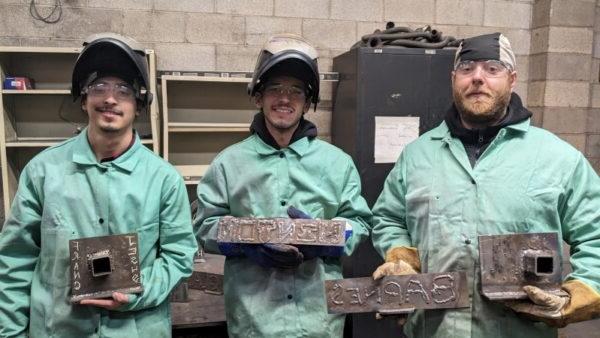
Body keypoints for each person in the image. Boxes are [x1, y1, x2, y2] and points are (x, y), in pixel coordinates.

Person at [371, 32, 600, 337]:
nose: (478, 78)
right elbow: (388, 218)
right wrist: (400, 256)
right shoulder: (417, 155)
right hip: (436, 330)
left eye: (492, 68)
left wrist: (582, 291)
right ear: (454, 79)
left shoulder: (558, 158)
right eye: (467, 69)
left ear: (512, 78)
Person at [0, 33, 197, 337]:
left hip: (137, 328)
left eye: (123, 90)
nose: (110, 98)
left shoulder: (163, 180)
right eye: (98, 87)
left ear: (139, 103)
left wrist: (137, 292)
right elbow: (15, 261)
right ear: (83, 99)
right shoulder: (43, 172)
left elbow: (178, 255)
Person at [194, 33, 372, 337]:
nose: (285, 98)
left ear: (307, 102)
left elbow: (360, 222)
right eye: (275, 88)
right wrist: (245, 244)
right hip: (254, 318)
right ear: (258, 95)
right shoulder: (228, 163)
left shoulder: (337, 163)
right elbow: (204, 226)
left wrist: (327, 237)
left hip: (318, 320)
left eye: (296, 91)